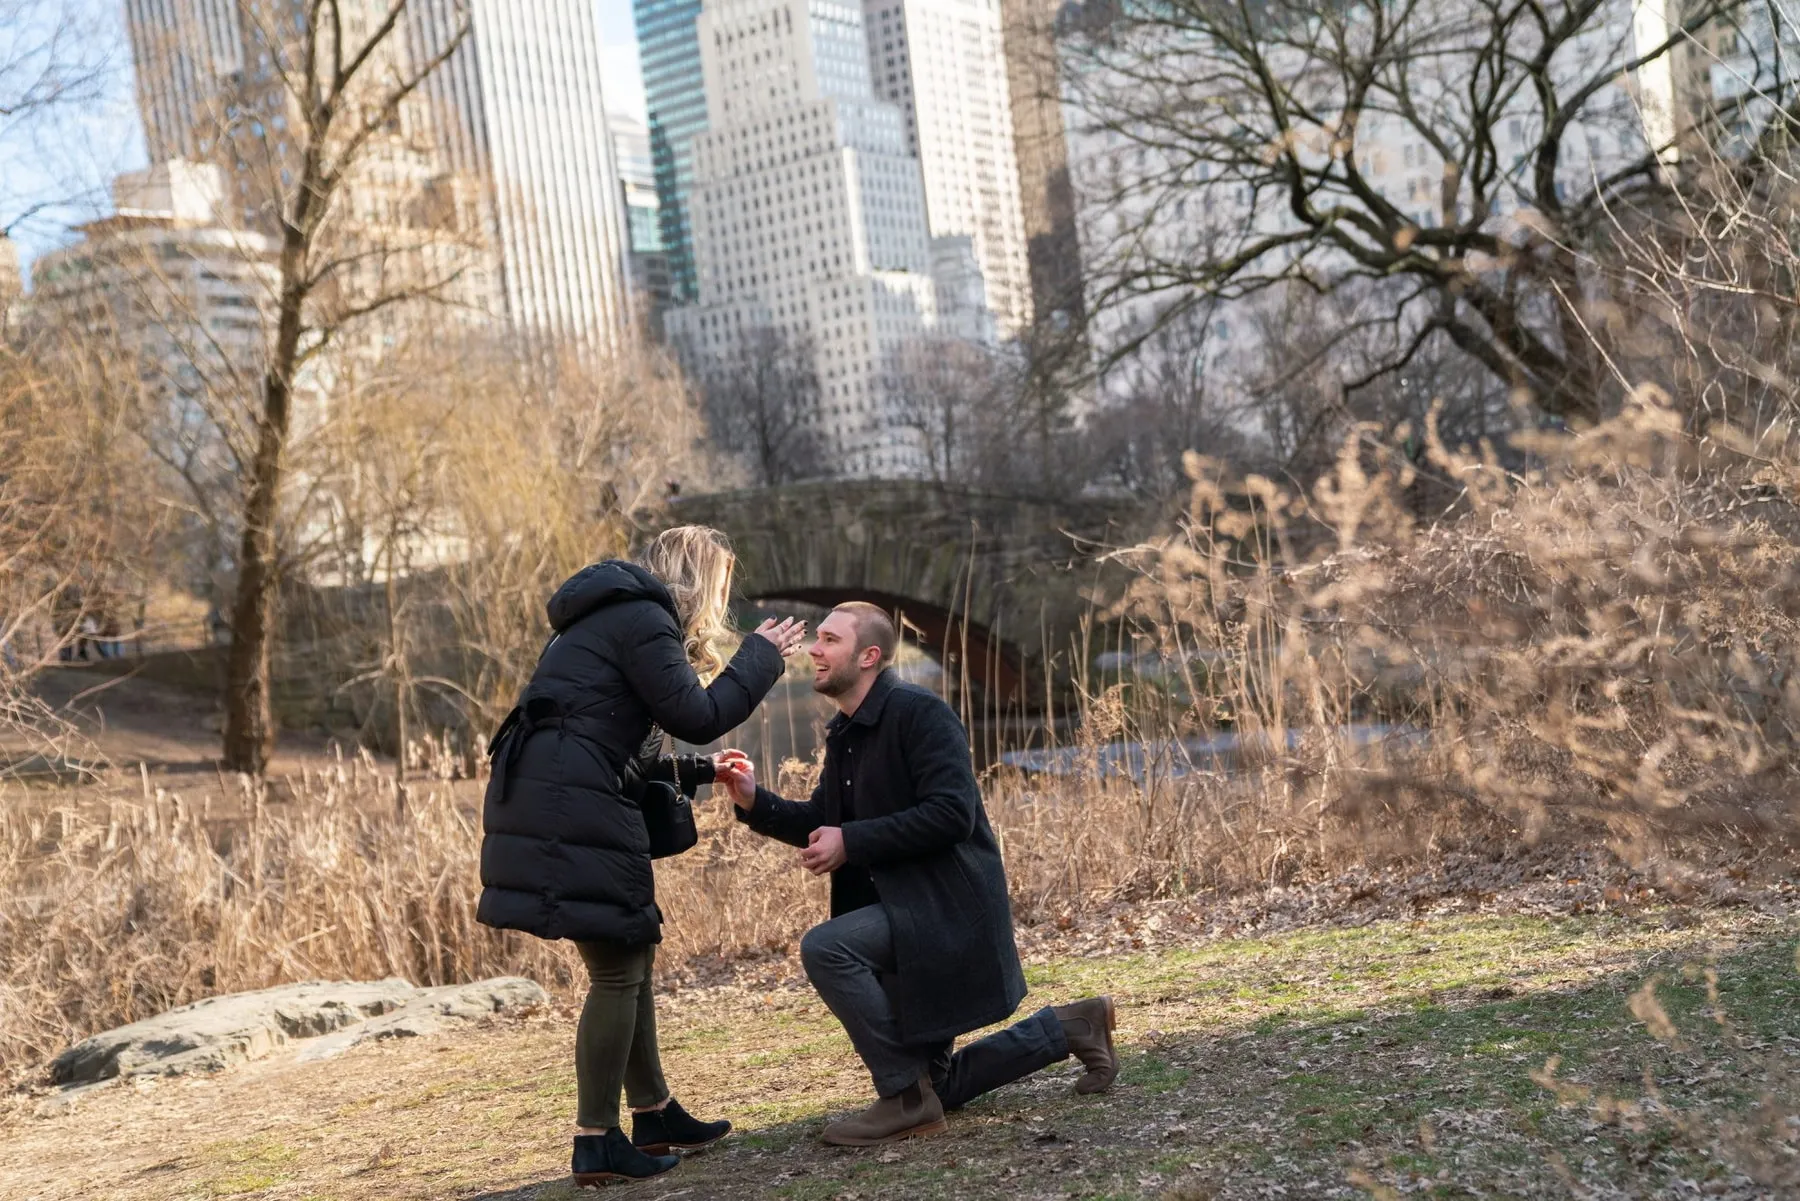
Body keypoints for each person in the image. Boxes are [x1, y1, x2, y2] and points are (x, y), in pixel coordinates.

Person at [714, 602, 1118, 1147]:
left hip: (945, 910)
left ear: (869, 656)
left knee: (828, 948)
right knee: (941, 1085)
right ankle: (1071, 1027)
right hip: (904, 914)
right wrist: (755, 800)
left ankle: (904, 1097)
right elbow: (824, 823)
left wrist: (851, 841)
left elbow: (951, 814)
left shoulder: (918, 713)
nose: (814, 649)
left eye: (830, 640)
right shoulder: (848, 731)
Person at [476, 526, 807, 1187]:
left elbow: (635, 744)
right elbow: (700, 711)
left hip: (557, 797)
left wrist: (703, 772)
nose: (721, 599)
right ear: (701, 579)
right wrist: (761, 655)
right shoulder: (643, 617)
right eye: (720, 586)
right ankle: (595, 1140)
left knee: (630, 954)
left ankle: (652, 1112)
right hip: (572, 806)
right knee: (617, 971)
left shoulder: (612, 618)